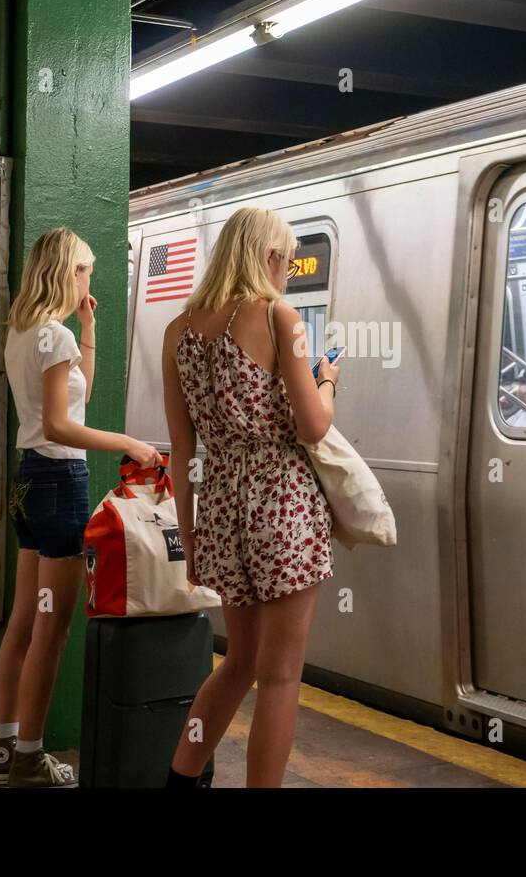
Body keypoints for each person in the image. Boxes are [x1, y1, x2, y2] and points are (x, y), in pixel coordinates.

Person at [160, 206, 340, 788]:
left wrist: (188, 531)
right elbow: (312, 427)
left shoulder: (178, 330)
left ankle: (182, 777)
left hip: (218, 503)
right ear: (267, 257)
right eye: (286, 260)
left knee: (237, 663)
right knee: (282, 674)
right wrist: (328, 381)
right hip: (283, 503)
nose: (287, 271)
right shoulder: (277, 316)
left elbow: (180, 448)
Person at [0, 227, 163, 789]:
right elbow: (66, 425)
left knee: (21, 621)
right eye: (84, 269)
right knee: (52, 627)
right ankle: (31, 758)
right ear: (67, 272)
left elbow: (71, 393)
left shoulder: (25, 332)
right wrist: (130, 443)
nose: (90, 278)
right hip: (61, 481)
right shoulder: (51, 337)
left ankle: (2, 752)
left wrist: (89, 328)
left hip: (28, 484)